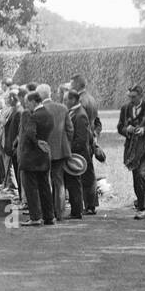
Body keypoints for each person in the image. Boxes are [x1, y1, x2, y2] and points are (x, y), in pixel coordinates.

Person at [117, 84, 145, 219]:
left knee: (141, 175)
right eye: (129, 97)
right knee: (136, 178)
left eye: (134, 97)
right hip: (132, 150)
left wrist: (144, 130)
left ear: (141, 96)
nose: (131, 99)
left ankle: (143, 207)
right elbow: (120, 127)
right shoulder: (125, 109)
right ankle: (143, 205)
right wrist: (127, 130)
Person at [15, 91, 55, 226]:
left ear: (33, 101)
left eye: (27, 103)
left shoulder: (33, 116)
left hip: (31, 158)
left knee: (31, 188)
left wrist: (35, 141)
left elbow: (30, 133)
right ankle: (49, 216)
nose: (26, 106)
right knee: (45, 188)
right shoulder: (49, 115)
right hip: (44, 156)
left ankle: (35, 217)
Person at [38, 84, 73, 221]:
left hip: (43, 150)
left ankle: (47, 212)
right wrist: (66, 145)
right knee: (59, 182)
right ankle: (59, 212)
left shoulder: (39, 110)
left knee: (45, 181)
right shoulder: (62, 108)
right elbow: (70, 129)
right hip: (60, 150)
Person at [69, 75, 102, 213]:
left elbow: (83, 122)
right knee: (88, 173)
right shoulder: (91, 98)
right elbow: (97, 122)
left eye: (71, 84)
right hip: (90, 139)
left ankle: (89, 205)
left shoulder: (81, 100)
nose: (70, 87)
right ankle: (90, 204)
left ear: (77, 85)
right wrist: (95, 137)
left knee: (85, 174)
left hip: (84, 140)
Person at [63, 89, 95, 220]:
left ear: (73, 100)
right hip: (74, 153)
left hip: (78, 155)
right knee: (73, 183)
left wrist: (69, 152)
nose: (64, 102)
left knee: (75, 183)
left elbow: (81, 139)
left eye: (66, 100)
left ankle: (77, 211)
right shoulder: (73, 112)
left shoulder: (80, 114)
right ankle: (76, 208)